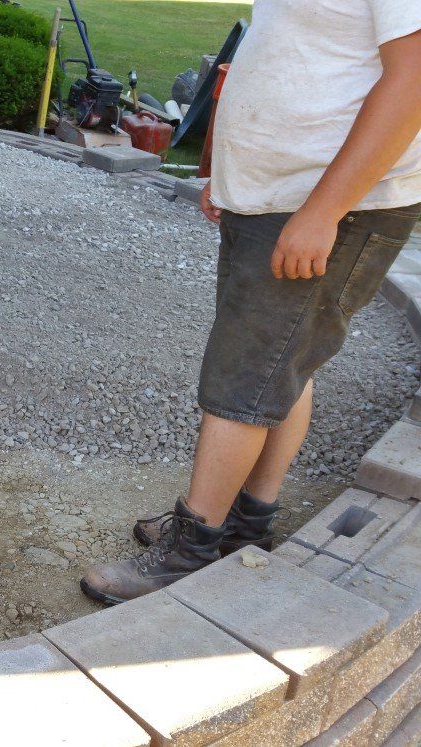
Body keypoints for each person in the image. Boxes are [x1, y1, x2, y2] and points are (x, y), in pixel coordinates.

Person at [80, 0, 421, 605]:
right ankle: (244, 523)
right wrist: (235, 173)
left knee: (242, 379)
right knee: (280, 365)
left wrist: (323, 211)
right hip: (281, 196)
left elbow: (413, 79)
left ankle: (189, 551)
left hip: (324, 203)